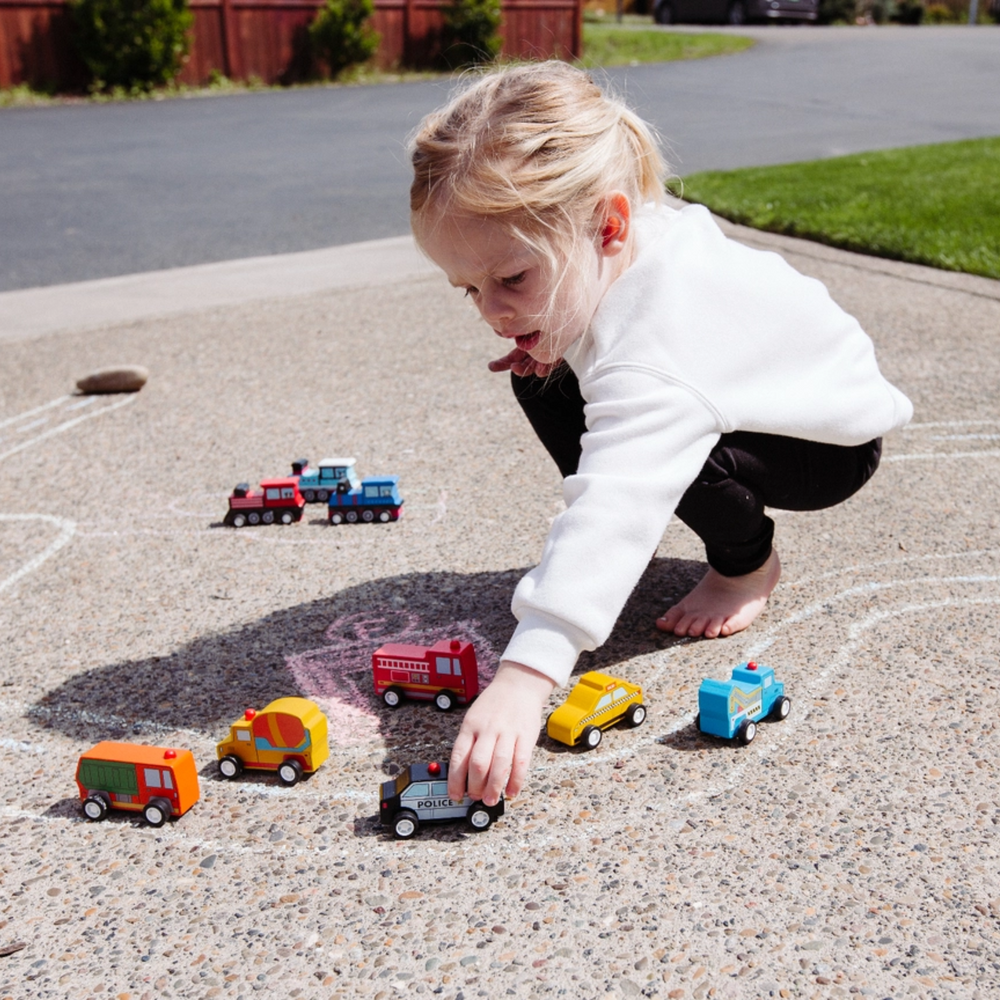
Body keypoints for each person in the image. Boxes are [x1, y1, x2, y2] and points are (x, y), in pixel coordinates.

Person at [408, 61, 912, 808]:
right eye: (470, 290)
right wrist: (550, 338)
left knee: (664, 445)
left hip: (826, 446)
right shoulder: (614, 238)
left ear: (610, 225)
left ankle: (746, 567)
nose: (490, 309)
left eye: (511, 280)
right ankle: (725, 522)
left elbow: (620, 493)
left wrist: (526, 674)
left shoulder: (659, 352)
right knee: (539, 373)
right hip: (749, 395)